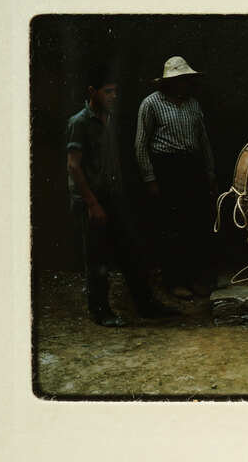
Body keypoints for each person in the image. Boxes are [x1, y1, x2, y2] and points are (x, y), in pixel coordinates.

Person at [66, 65, 177, 327]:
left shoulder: (109, 117)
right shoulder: (79, 122)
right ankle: (100, 311)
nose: (114, 96)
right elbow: (73, 165)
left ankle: (146, 306)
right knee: (97, 257)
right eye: (108, 91)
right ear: (92, 92)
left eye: (115, 91)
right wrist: (92, 203)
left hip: (112, 196)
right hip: (90, 200)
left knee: (131, 251)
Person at [134, 56, 217, 299]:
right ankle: (174, 281)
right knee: (171, 228)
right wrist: (150, 179)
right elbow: (140, 144)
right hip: (166, 169)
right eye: (180, 80)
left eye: (187, 80)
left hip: (192, 168)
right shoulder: (150, 104)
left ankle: (196, 279)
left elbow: (203, 141)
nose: (185, 84)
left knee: (196, 225)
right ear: (169, 82)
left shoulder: (193, 104)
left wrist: (210, 172)